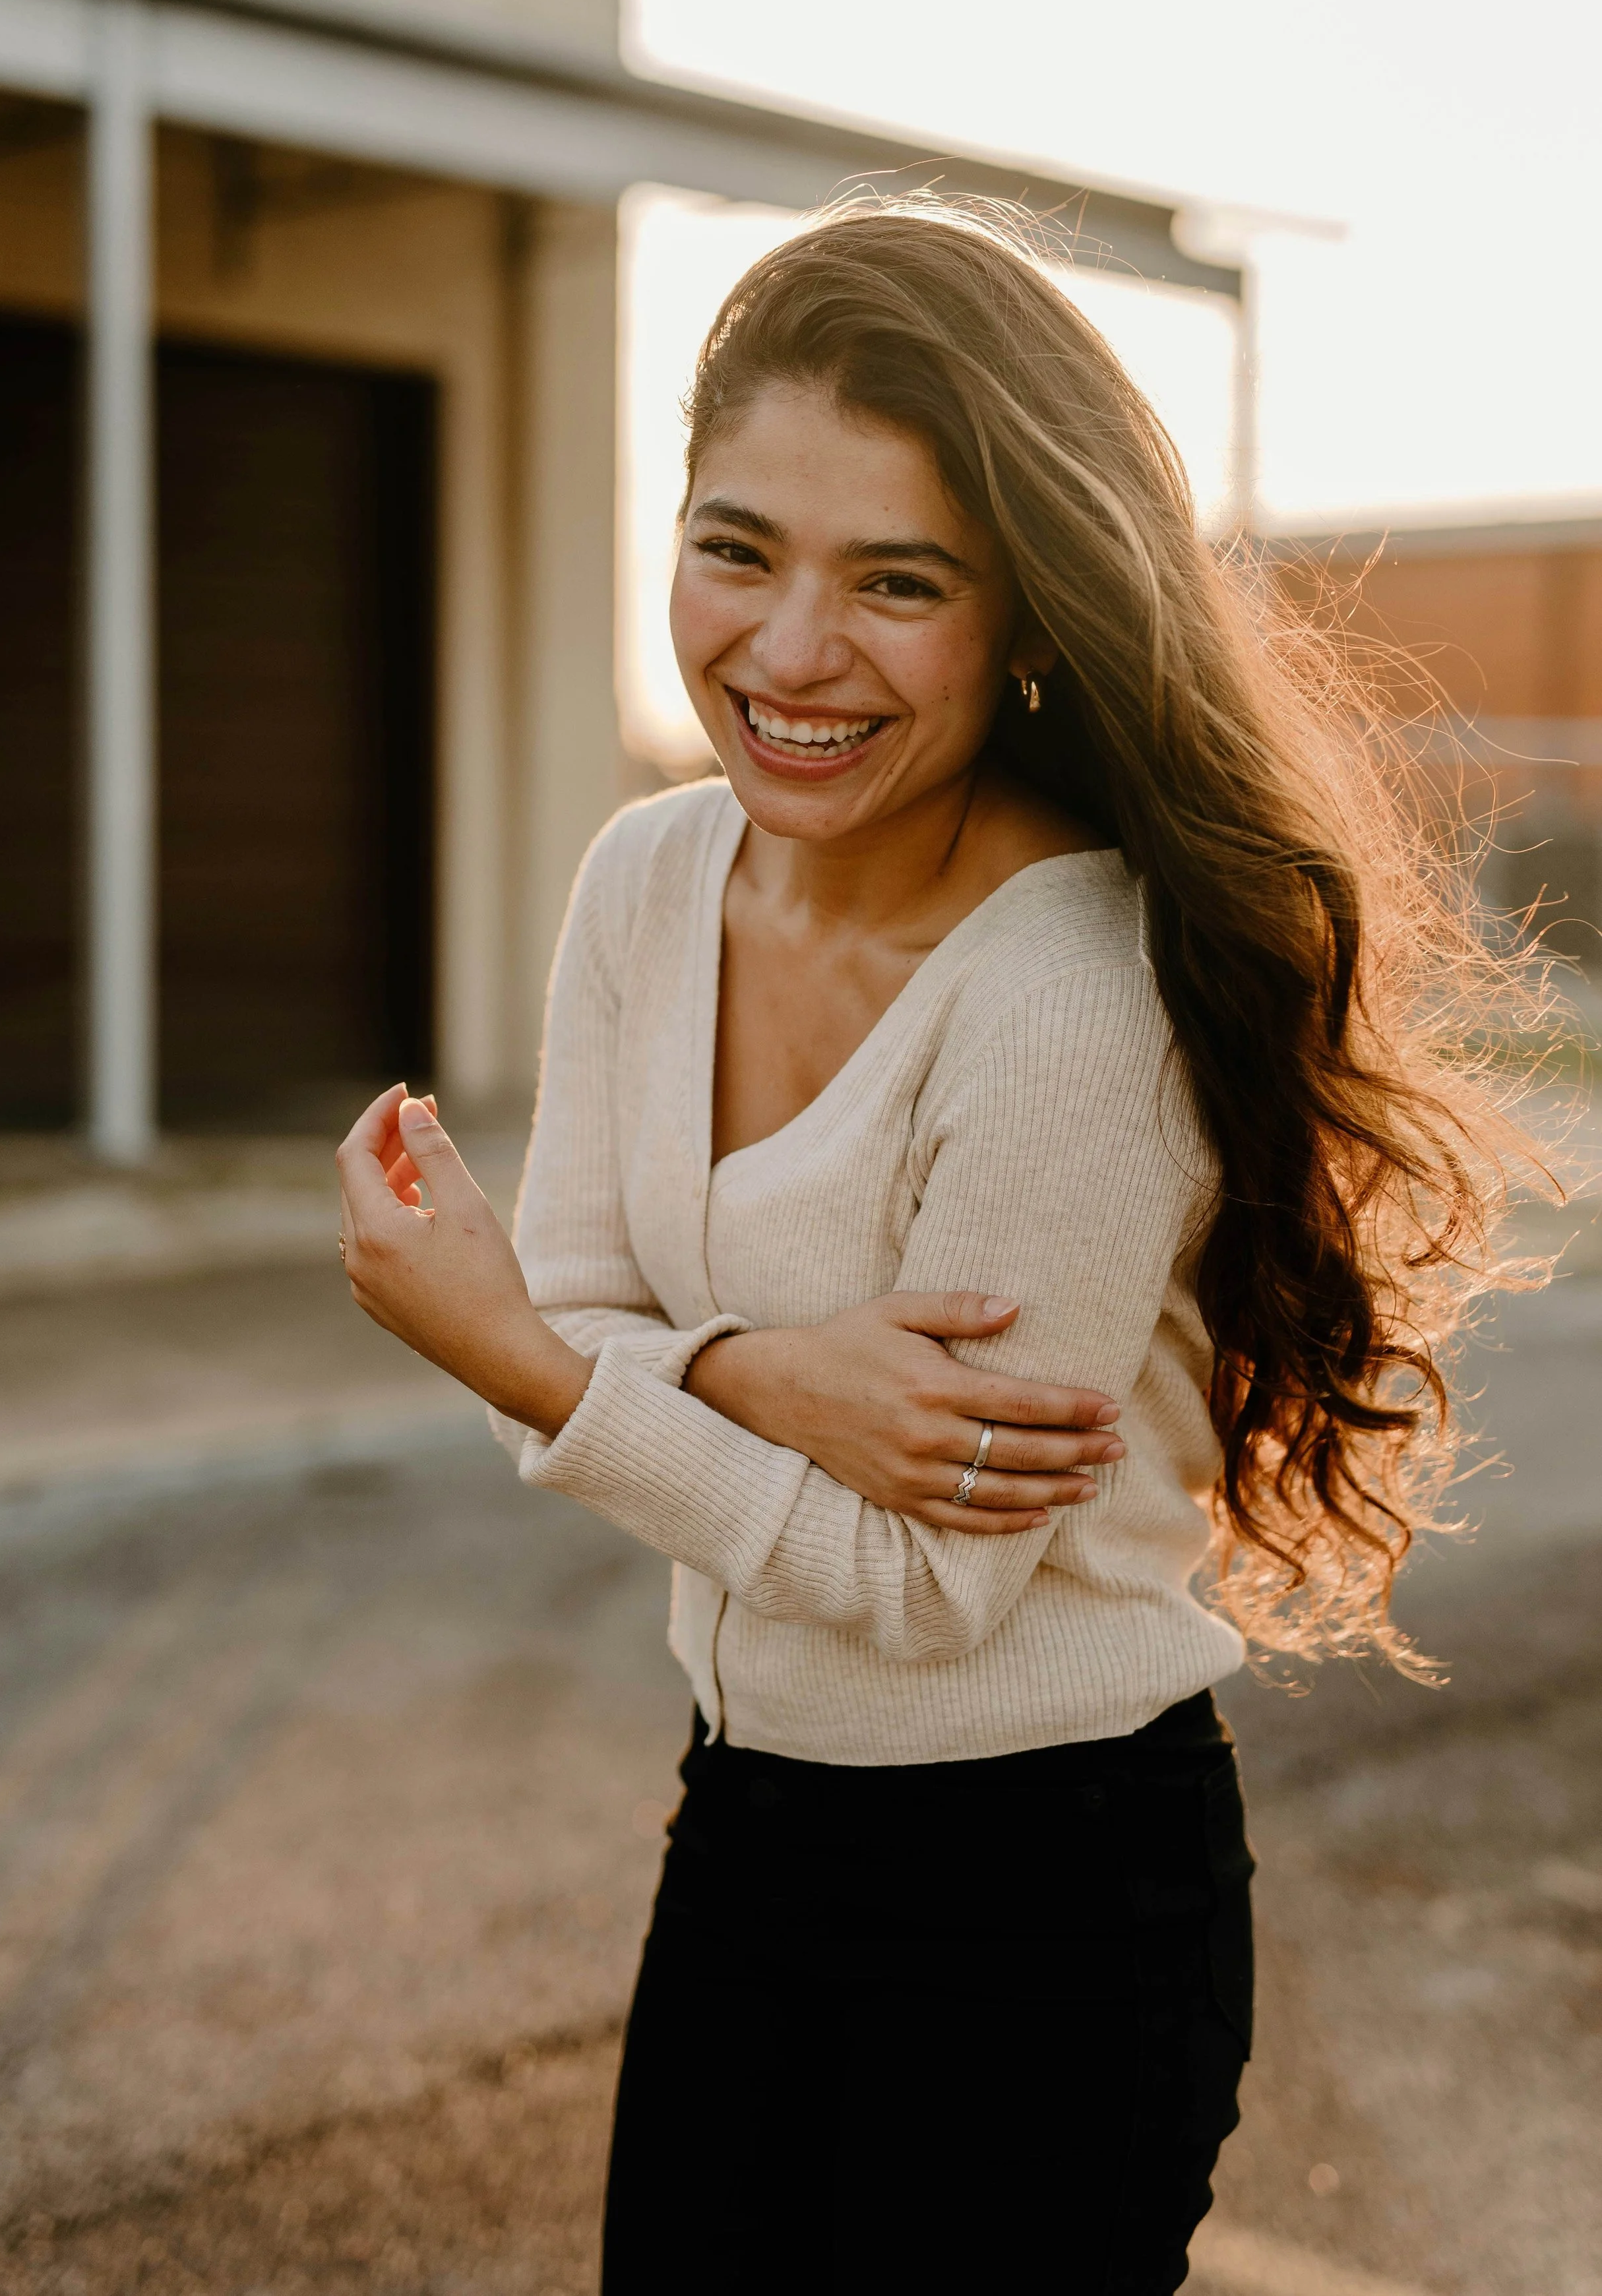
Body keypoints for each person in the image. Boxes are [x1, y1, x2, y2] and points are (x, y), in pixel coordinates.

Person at [336, 200, 1537, 2293]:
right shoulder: (646, 877)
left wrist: (530, 1365)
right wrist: (745, 1373)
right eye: (737, 548)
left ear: (1028, 623)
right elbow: (601, 1290)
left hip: (1050, 1906)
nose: (787, 654)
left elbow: (909, 1583)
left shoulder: (1070, 996)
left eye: (895, 582)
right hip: (747, 1838)